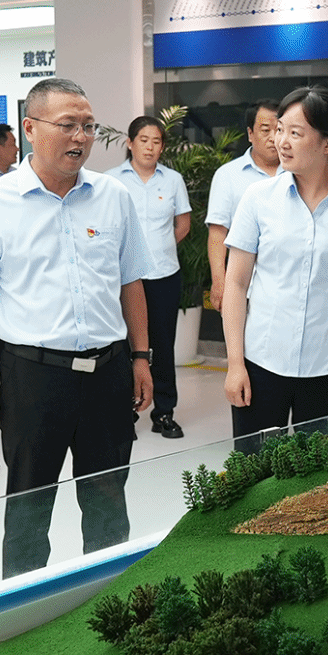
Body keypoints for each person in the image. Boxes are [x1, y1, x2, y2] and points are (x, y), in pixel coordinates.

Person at [0, 77, 152, 577]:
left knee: (108, 502)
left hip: (108, 372)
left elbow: (131, 283)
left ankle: (107, 599)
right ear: (30, 129)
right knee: (28, 508)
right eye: (67, 125)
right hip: (33, 377)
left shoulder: (113, 196)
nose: (80, 137)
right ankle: (23, 610)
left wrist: (141, 358)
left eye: (88, 126)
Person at [222, 85, 328, 441]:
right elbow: (236, 284)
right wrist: (235, 364)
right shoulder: (258, 198)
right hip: (262, 363)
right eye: (279, 129)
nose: (281, 142)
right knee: (256, 468)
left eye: (295, 133)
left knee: (323, 472)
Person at [110, 114, 192, 439]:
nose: (150, 147)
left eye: (156, 141)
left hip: (163, 275)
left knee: (162, 345)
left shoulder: (172, 180)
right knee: (123, 345)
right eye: (143, 140)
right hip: (123, 278)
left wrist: (159, 247)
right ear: (130, 143)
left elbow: (183, 224)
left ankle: (164, 412)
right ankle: (124, 411)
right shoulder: (111, 181)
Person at [204, 101, 281, 308]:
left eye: (279, 130)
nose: (273, 137)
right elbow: (218, 233)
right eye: (265, 130)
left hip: (290, 289)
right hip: (244, 288)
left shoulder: (299, 173)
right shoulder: (228, 176)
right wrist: (219, 281)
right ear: (250, 134)